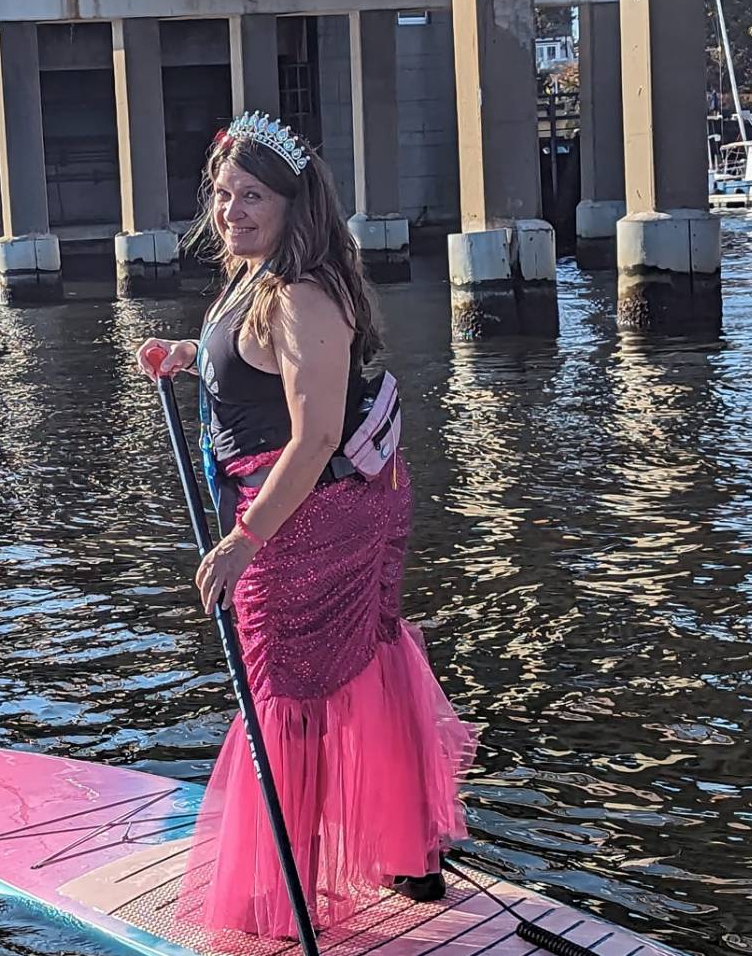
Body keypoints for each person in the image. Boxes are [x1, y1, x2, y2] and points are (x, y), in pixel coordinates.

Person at [136, 112, 476, 941]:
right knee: (362, 655)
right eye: (222, 196)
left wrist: (244, 540)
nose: (232, 212)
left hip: (312, 510)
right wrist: (189, 353)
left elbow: (318, 432)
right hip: (307, 497)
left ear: (294, 203)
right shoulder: (255, 280)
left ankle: (281, 899)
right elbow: (252, 366)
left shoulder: (303, 293)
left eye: (252, 196)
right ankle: (407, 856)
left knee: (284, 684)